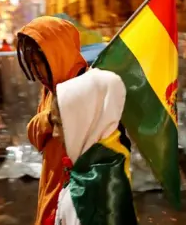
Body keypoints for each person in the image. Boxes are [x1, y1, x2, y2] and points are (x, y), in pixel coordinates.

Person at [16, 16, 88, 225]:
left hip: (74, 199)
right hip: (51, 187)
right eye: (32, 65)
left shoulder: (88, 88)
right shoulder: (50, 90)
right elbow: (35, 136)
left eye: (39, 63)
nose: (37, 72)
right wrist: (49, 118)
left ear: (57, 54)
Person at [53, 68, 137, 225]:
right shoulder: (113, 164)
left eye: (59, 123)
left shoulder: (85, 197)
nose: (55, 133)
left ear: (82, 121)